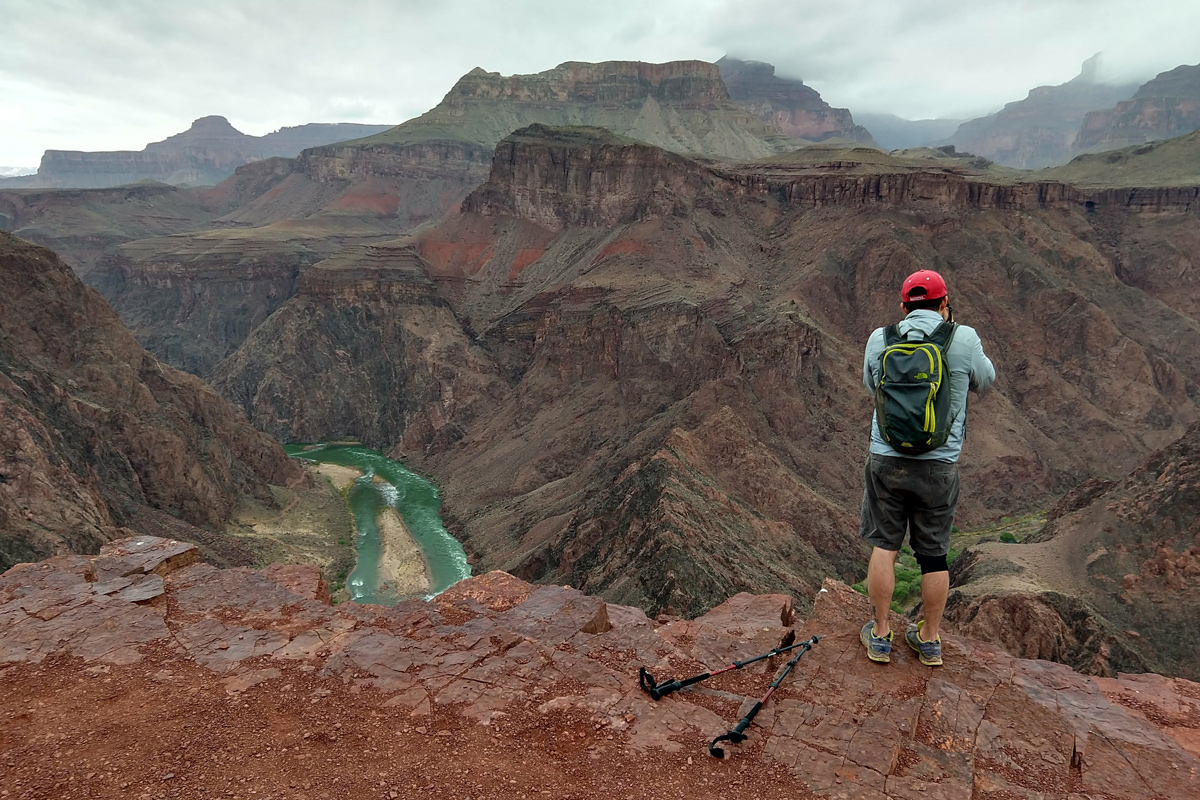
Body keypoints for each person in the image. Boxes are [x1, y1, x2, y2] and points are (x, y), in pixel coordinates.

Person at [859, 269, 995, 666]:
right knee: (933, 555)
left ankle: (881, 636)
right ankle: (930, 640)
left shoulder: (880, 339)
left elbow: (873, 387)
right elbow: (985, 381)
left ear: (903, 307)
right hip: (939, 464)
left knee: (885, 545)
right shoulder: (964, 338)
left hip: (886, 458)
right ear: (944, 303)